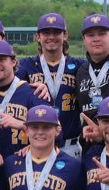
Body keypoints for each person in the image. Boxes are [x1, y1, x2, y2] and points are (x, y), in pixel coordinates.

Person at [16, 13, 86, 158]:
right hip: (37, 145)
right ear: (38, 37)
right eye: (46, 32)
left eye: (56, 32)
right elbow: (4, 81)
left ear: (65, 35)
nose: (51, 37)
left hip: (70, 146)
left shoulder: (79, 65)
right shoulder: (26, 65)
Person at [0, 41, 46, 163]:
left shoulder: (34, 93)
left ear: (13, 62)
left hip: (25, 169)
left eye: (1, 59)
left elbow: (56, 134)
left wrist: (21, 125)